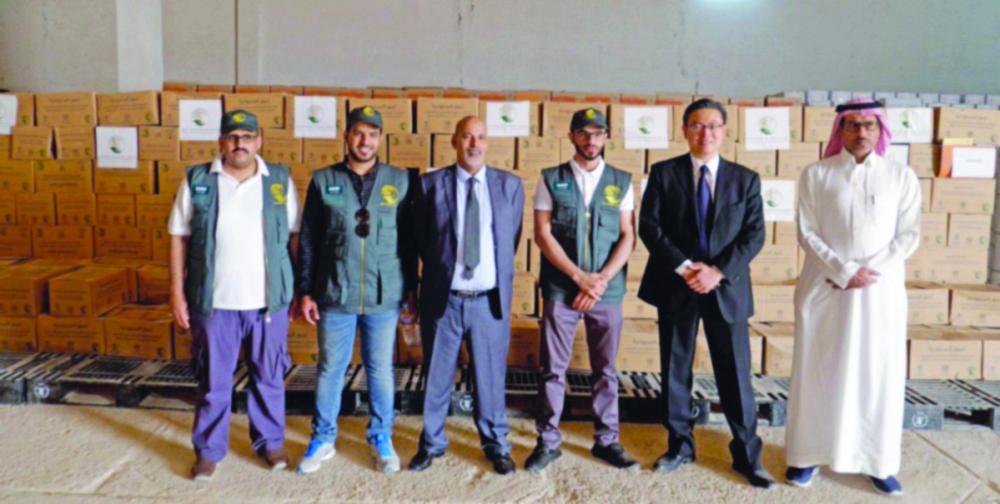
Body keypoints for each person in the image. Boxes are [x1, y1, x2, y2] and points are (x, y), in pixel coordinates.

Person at [784, 98, 920, 497]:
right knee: (818, 371)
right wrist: (843, 270)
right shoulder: (817, 174)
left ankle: (877, 463)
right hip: (827, 290)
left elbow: (909, 234)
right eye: (853, 125)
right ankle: (807, 456)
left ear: (880, 130)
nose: (861, 132)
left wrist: (867, 272)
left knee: (876, 375)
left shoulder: (900, 176)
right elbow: (807, 232)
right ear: (840, 130)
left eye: (869, 125)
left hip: (879, 293)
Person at [638, 98, 773, 488]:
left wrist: (717, 272)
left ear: (725, 131)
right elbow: (650, 226)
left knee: (735, 374)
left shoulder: (745, 179)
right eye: (697, 125)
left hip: (725, 288)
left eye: (713, 125)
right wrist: (685, 267)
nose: (706, 133)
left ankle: (746, 455)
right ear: (685, 130)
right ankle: (680, 446)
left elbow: (754, 235)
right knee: (675, 370)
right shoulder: (663, 173)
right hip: (676, 284)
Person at [168, 109, 300, 481]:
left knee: (269, 377)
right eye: (233, 137)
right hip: (214, 303)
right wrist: (176, 293)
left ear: (259, 141)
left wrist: (296, 290)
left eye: (247, 136)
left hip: (266, 303)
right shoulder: (198, 180)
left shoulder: (279, 181)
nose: (240, 143)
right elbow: (178, 237)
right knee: (213, 381)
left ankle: (270, 444)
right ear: (221, 142)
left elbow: (294, 237)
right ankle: (208, 451)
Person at [296, 106, 418, 474]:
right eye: (358, 133)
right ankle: (323, 438)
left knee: (380, 370)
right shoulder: (323, 180)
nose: (365, 141)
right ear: (347, 136)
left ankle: (381, 437)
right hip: (335, 291)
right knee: (330, 369)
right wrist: (306, 290)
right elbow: (309, 240)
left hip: (385, 294)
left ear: (380, 139)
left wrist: (411, 290)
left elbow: (410, 242)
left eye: (372, 134)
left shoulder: (400, 180)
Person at [408, 116, 524, 475]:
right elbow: (417, 240)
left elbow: (511, 239)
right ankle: (432, 443)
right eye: (467, 137)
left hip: (488, 301)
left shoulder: (510, 186)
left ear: (488, 143)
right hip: (444, 299)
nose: (474, 144)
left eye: (481, 137)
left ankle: (496, 444)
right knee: (437, 376)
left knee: (491, 378)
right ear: (454, 141)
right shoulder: (429, 185)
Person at [524, 108, 638, 473]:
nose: (591, 140)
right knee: (552, 369)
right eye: (584, 133)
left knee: (606, 369)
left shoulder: (620, 181)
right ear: (572, 136)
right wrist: (578, 277)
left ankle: (607, 440)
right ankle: (548, 440)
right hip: (561, 289)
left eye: (598, 133)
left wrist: (599, 280)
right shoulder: (551, 179)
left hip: (607, 292)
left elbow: (628, 236)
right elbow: (543, 234)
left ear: (606, 137)